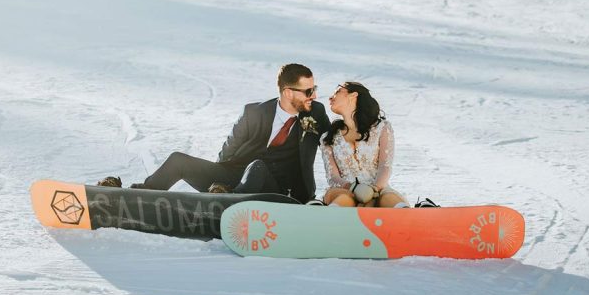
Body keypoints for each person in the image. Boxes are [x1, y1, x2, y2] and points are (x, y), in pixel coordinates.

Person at [99, 63, 330, 204]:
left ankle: (224, 203)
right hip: (235, 180)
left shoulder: (315, 113)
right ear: (288, 92)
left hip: (280, 191)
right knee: (178, 160)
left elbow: (334, 142)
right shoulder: (254, 112)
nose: (314, 96)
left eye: (314, 89)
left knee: (258, 166)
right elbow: (230, 147)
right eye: (309, 90)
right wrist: (219, 178)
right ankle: (135, 196)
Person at [319, 82, 408, 208]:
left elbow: (385, 166)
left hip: (378, 188)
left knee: (387, 197)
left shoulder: (381, 128)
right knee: (344, 197)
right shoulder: (328, 137)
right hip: (344, 190)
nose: (330, 97)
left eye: (337, 91)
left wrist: (374, 189)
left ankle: (405, 215)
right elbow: (333, 176)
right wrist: (353, 187)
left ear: (353, 95)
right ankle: (331, 217)